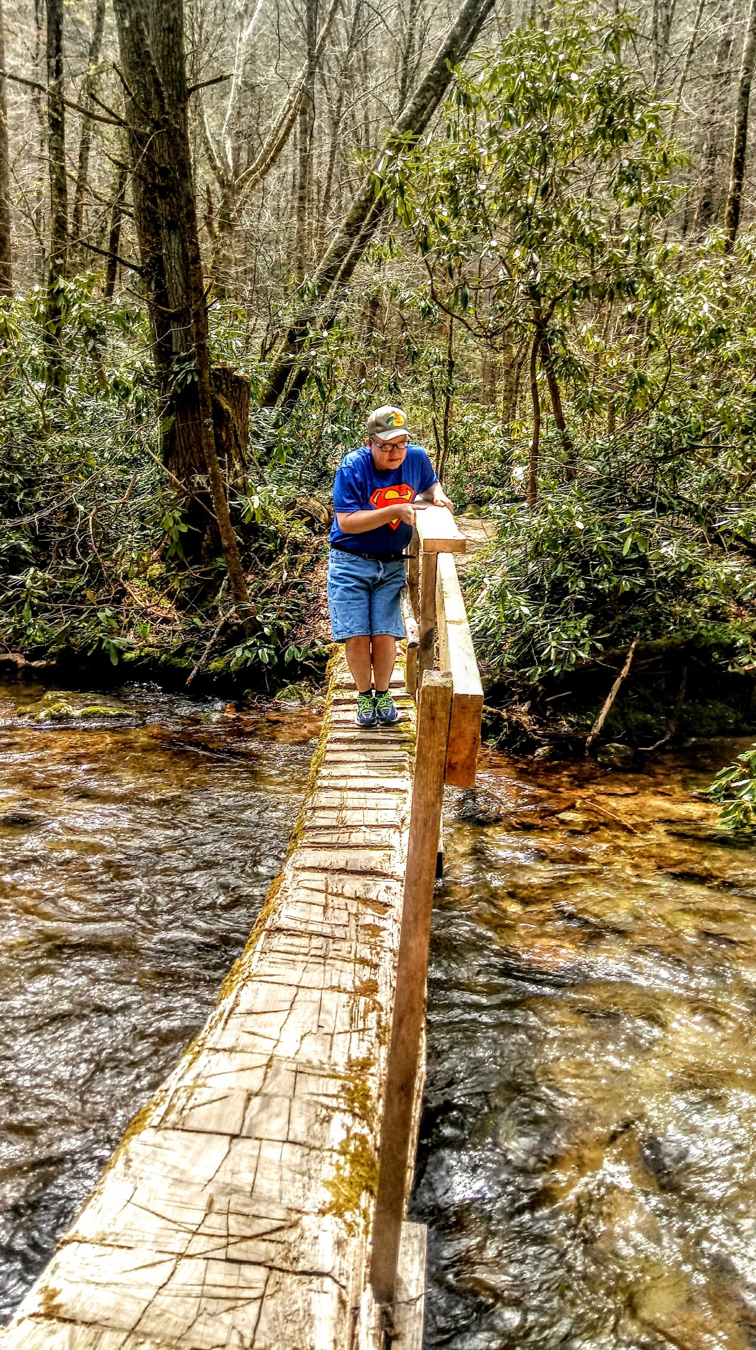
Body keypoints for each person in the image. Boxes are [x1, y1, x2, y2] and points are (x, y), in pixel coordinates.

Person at [327, 405, 454, 727]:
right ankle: (363, 695)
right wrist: (396, 510)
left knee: (384, 635)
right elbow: (347, 523)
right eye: (386, 445)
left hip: (392, 563)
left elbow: (430, 483)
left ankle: (382, 694)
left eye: (400, 443)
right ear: (370, 443)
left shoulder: (416, 457)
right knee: (357, 635)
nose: (395, 452)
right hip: (349, 561)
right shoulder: (353, 466)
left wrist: (437, 495)